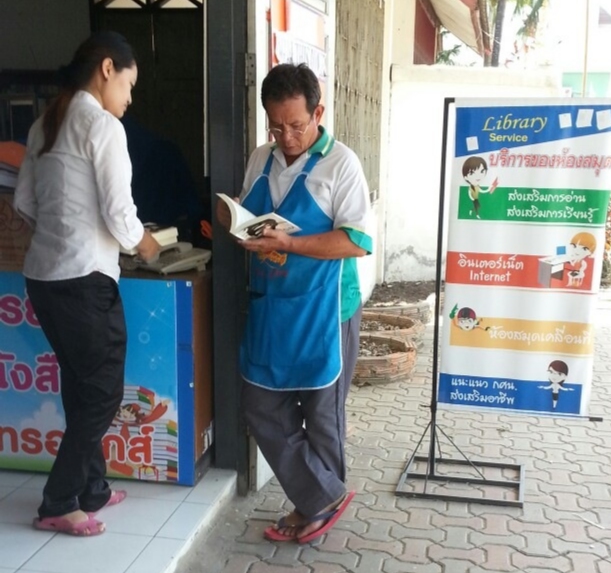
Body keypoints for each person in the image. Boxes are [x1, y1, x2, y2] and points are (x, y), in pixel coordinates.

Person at [13, 31, 160, 537]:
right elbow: (121, 214)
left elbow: (24, 203)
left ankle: (92, 488)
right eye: (129, 84)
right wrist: (146, 244)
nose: (130, 97)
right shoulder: (102, 126)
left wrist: (63, 229)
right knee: (100, 394)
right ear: (106, 69)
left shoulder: (44, 124)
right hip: (84, 281)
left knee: (81, 386)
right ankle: (58, 501)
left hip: (44, 278)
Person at [218, 63, 372, 543]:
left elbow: (357, 241)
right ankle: (323, 497)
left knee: (322, 415)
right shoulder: (261, 159)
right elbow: (247, 211)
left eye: (297, 125)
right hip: (272, 304)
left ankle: (314, 508)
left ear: (318, 113)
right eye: (276, 126)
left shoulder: (341, 164)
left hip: (326, 309)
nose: (286, 137)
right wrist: (239, 225)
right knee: (260, 404)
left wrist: (289, 243)